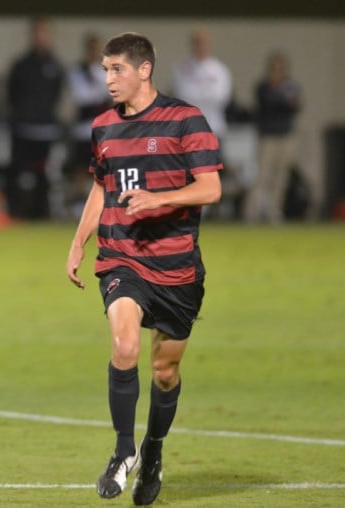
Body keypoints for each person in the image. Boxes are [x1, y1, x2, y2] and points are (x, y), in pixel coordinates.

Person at [65, 33, 222, 505]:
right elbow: (101, 187)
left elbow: (210, 188)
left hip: (176, 267)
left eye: (117, 69)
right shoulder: (103, 127)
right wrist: (78, 240)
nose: (109, 79)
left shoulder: (185, 119)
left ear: (144, 70)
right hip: (122, 256)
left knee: (165, 370)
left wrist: (160, 198)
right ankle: (122, 450)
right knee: (125, 343)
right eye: (105, 70)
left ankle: (153, 450)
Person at [6, 17, 64, 220]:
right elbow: (12, 95)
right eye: (38, 34)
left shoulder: (55, 66)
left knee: (43, 175)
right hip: (23, 128)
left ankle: (41, 214)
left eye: (44, 34)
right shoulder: (21, 65)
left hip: (46, 130)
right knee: (18, 172)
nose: (41, 38)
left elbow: (56, 95)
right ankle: (15, 211)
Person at [242, 50, 302, 224]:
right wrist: (282, 100)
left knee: (281, 178)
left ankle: (274, 212)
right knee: (261, 175)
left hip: (286, 136)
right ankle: (251, 213)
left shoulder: (290, 85)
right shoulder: (263, 86)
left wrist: (282, 100)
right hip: (268, 137)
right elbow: (268, 103)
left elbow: (295, 106)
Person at [66, 32, 112, 218]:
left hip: (103, 130)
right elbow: (81, 97)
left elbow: (112, 95)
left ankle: (104, 207)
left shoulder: (106, 70)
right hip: (83, 129)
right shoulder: (78, 71)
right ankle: (79, 205)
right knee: (81, 169)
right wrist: (100, 99)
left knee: (103, 170)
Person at [171, 27, 232, 142]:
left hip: (214, 128)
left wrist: (196, 94)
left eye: (204, 43)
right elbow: (182, 95)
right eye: (197, 43)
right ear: (192, 45)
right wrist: (206, 92)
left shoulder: (219, 70)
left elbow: (222, 97)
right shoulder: (181, 68)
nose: (201, 46)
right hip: (188, 130)